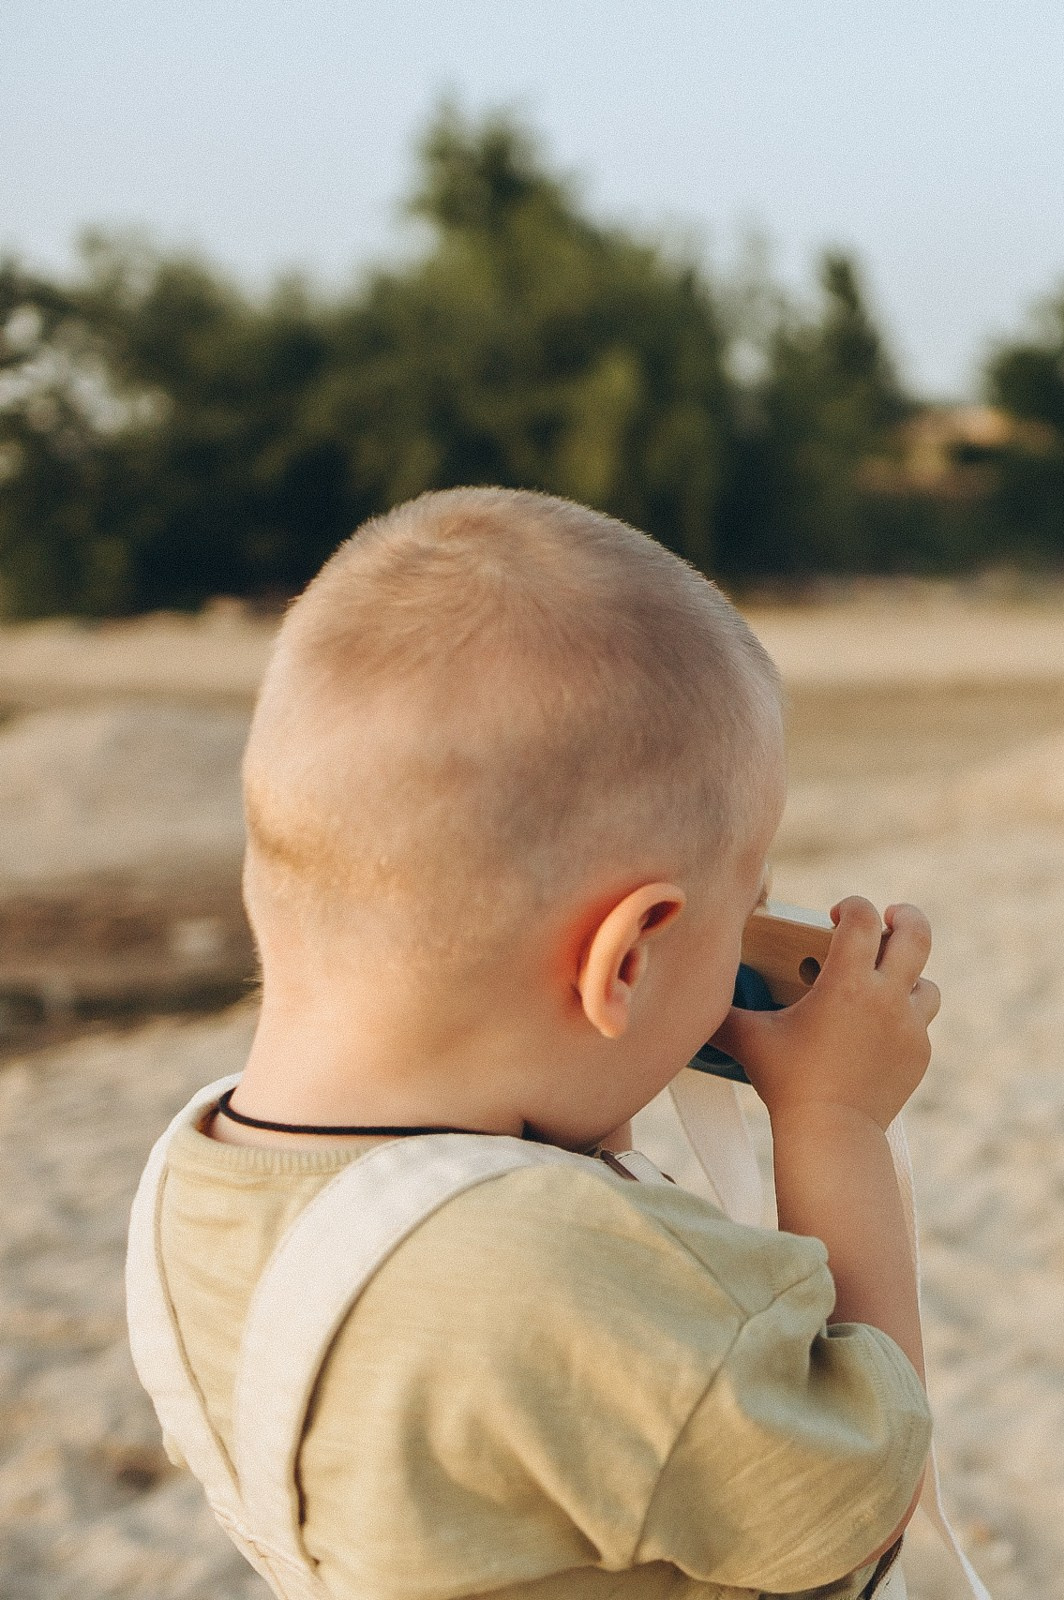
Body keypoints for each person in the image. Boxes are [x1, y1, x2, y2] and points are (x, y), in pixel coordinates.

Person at [127, 488, 938, 1596]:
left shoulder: (190, 1188)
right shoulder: (562, 1267)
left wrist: (587, 1106)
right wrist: (830, 1120)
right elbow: (864, 1502)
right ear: (628, 959)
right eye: (739, 903)